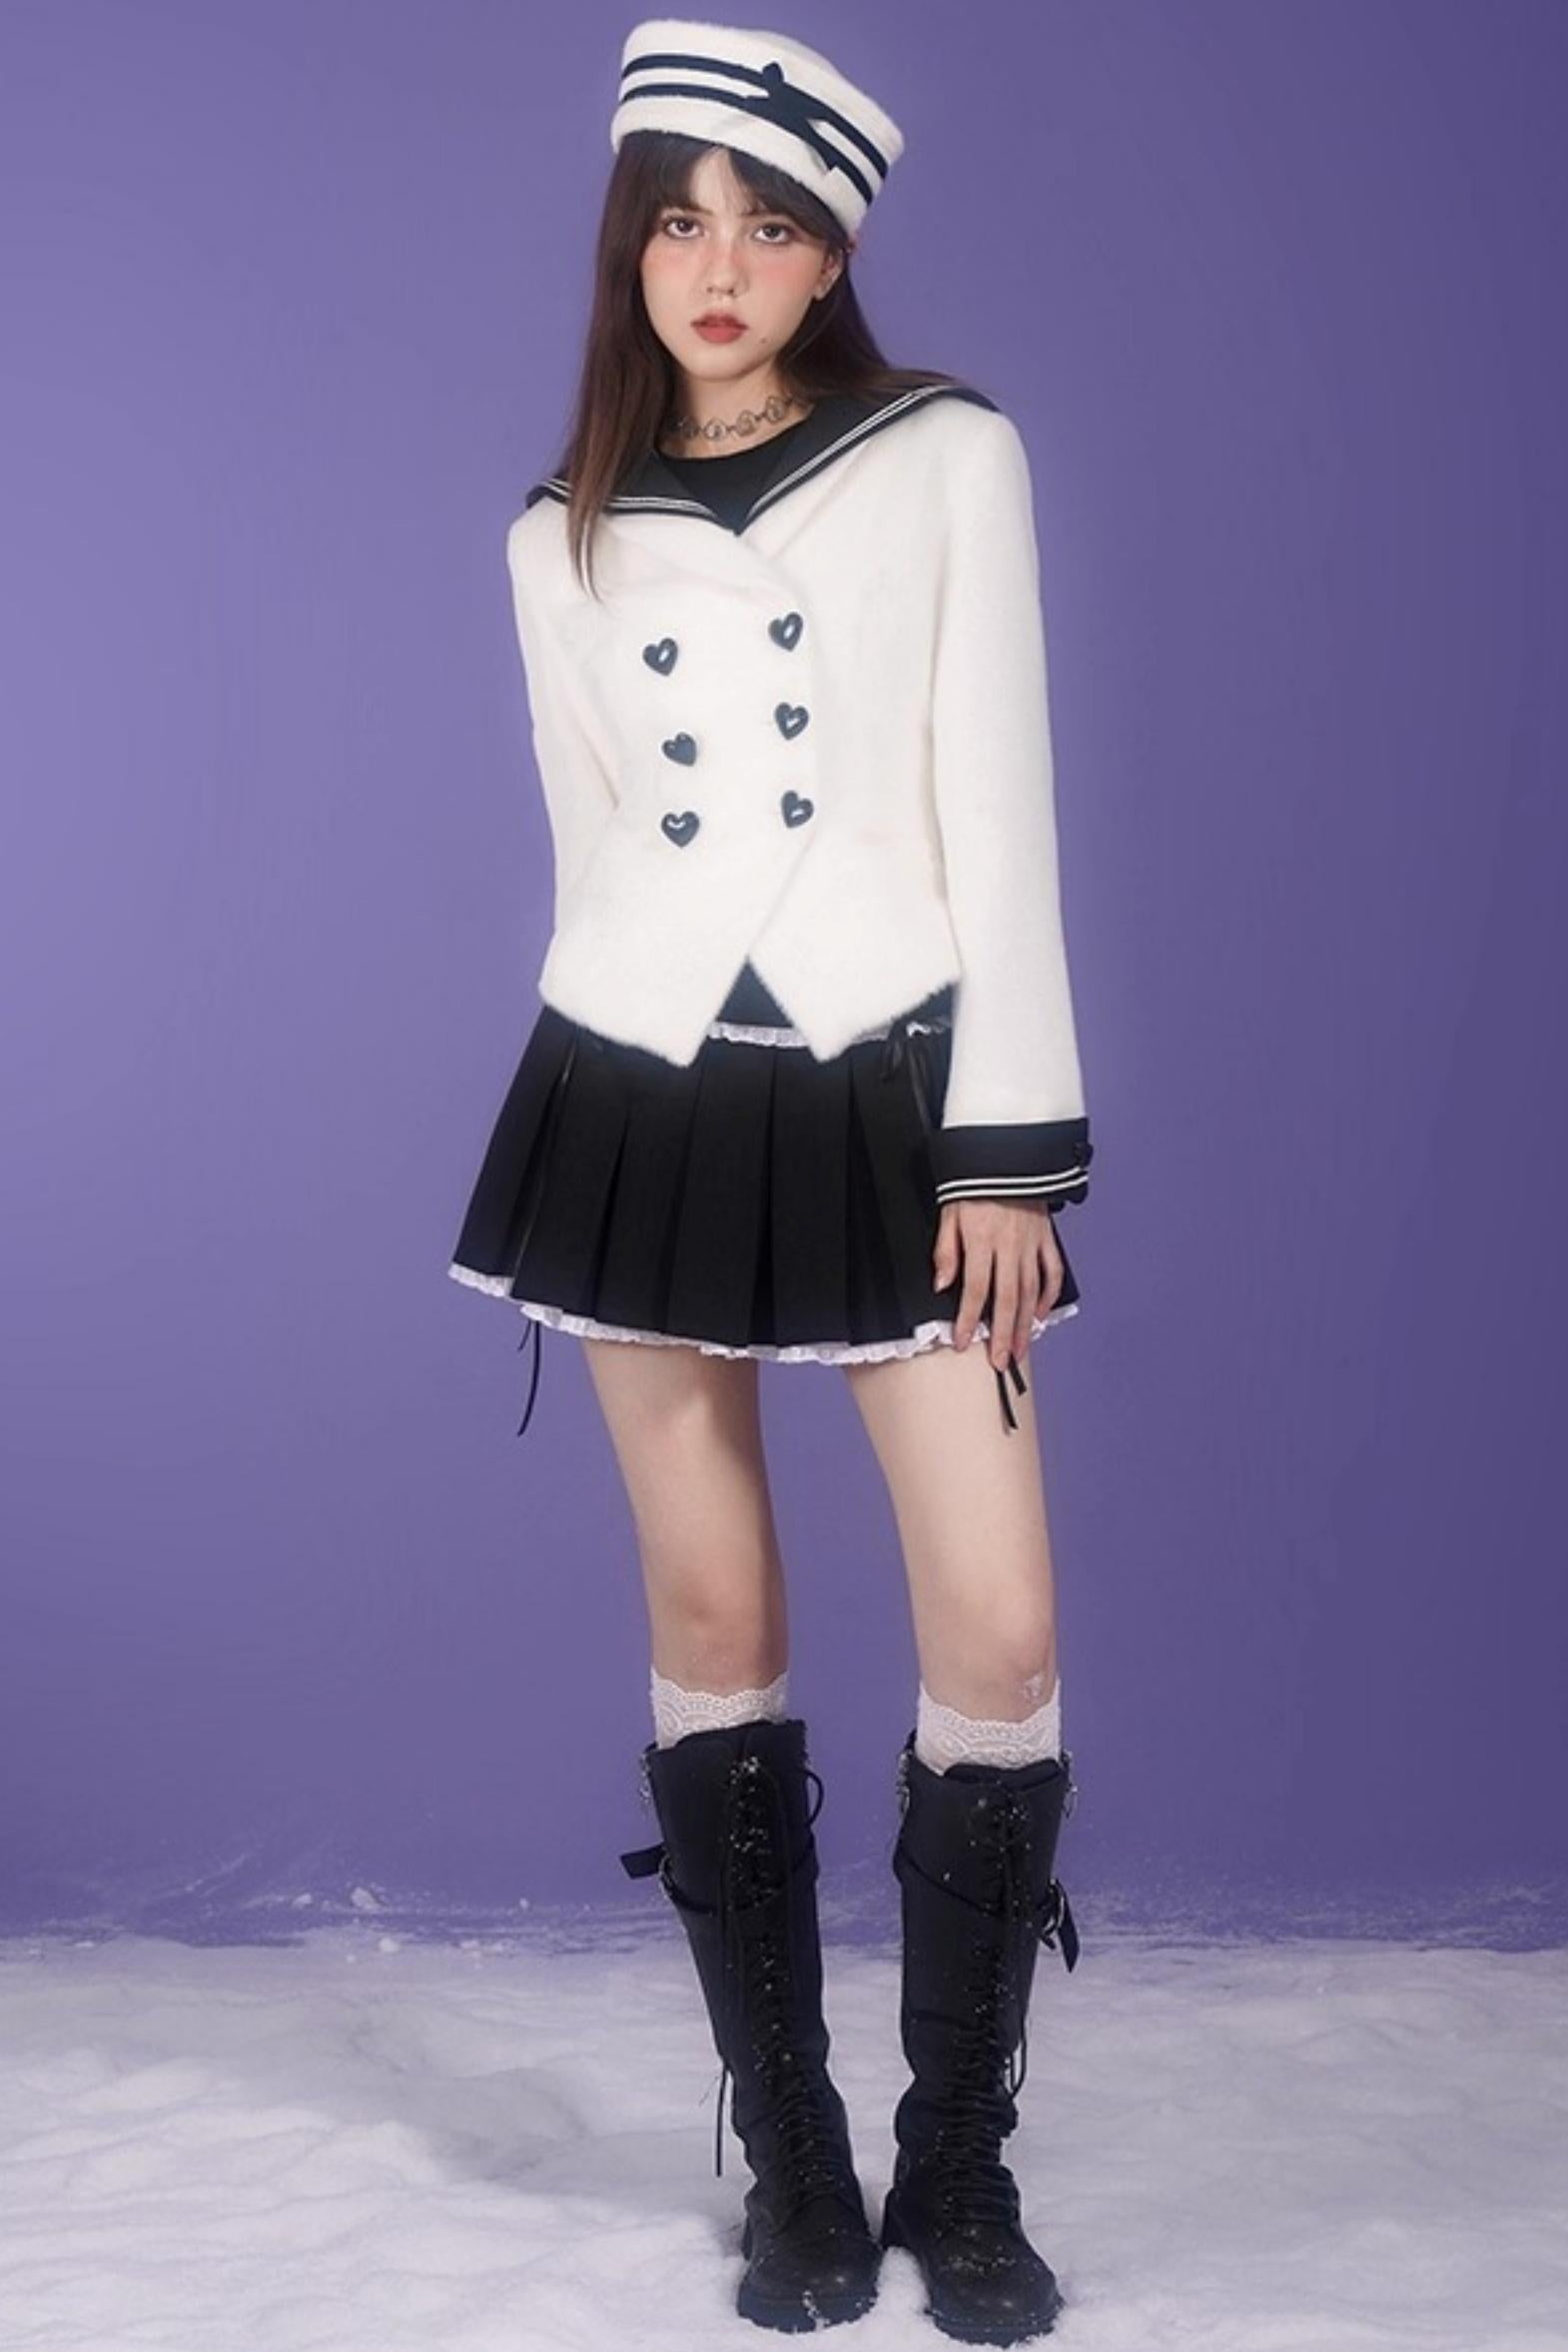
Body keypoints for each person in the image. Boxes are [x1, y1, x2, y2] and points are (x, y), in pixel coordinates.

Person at [448, 19, 1093, 2343]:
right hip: (638, 1091)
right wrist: (592, 1105)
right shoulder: (557, 529)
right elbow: (595, 843)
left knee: (994, 1632)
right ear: (627, 247)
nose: (716, 265)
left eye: (770, 224)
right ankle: (798, 2154)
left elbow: (995, 802)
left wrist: (1007, 1145)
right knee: (713, 1608)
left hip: (895, 1087)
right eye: (676, 220)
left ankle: (957, 2150)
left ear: (831, 259)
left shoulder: (943, 456)